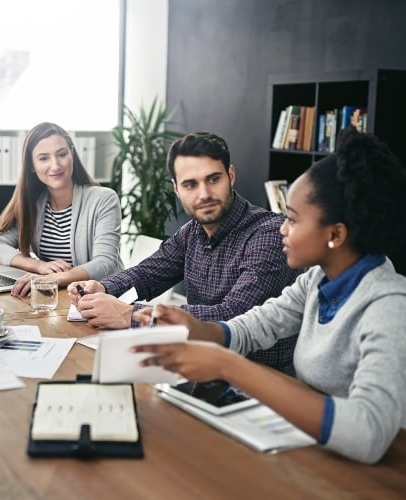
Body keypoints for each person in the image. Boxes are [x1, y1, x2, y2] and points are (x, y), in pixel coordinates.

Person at [132, 129, 406, 464]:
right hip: (315, 449)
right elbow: (254, 326)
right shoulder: (317, 280)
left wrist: (225, 364)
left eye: (292, 218)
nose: (282, 229)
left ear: (335, 234)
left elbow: (369, 433)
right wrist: (193, 327)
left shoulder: (391, 306)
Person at [68, 131, 301, 374]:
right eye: (190, 184)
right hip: (200, 367)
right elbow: (148, 274)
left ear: (231, 175)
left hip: (256, 381)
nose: (204, 194)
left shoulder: (269, 234)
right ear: (176, 189)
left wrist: (129, 315)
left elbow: (235, 314)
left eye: (213, 179)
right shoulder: (193, 231)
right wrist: (104, 287)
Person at [0, 122, 124, 297]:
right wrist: (38, 266)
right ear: (31, 166)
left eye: (62, 154)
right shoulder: (34, 203)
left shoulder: (103, 199)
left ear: (72, 154)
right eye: (44, 158)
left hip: (104, 298)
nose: (56, 165)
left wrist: (55, 278)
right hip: (60, 299)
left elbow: (105, 263)